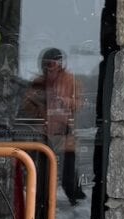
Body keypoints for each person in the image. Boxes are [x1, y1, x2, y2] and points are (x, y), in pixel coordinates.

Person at [21, 47, 86, 207]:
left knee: (68, 174)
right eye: (48, 63)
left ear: (61, 63)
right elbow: (26, 106)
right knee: (43, 175)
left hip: (65, 134)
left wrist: (64, 101)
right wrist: (37, 100)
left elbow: (80, 103)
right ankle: (41, 206)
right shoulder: (38, 82)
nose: (51, 66)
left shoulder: (70, 80)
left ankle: (76, 201)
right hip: (44, 135)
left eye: (54, 62)